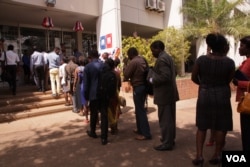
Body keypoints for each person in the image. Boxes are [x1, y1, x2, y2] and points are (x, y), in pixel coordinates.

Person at [191, 33, 235, 166]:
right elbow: (229, 79)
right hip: (222, 95)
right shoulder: (229, 62)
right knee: (221, 126)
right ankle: (217, 154)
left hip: (205, 95)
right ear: (223, 47)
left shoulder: (201, 60)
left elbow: (193, 77)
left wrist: (204, 85)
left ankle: (199, 156)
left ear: (210, 46)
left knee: (202, 126)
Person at [149, 40, 179, 151]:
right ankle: (170, 139)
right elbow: (174, 73)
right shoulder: (168, 57)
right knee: (170, 119)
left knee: (165, 120)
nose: (152, 53)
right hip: (170, 93)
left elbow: (165, 76)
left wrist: (151, 78)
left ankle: (167, 143)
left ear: (159, 49)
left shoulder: (161, 60)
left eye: (153, 51)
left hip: (164, 95)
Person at [123, 47, 152, 140]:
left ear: (131, 55)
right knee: (140, 109)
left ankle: (146, 133)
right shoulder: (143, 59)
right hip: (144, 86)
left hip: (138, 87)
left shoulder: (133, 62)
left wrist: (125, 64)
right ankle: (140, 129)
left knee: (140, 110)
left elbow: (126, 74)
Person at [84, 50, 108, 145]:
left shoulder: (88, 67)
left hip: (93, 94)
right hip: (104, 93)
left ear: (90, 57)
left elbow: (86, 84)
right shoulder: (104, 65)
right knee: (104, 114)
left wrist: (86, 96)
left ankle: (93, 132)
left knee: (93, 114)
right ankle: (104, 137)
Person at [232, 35, 250, 151]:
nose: (239, 48)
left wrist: (239, 83)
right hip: (245, 101)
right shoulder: (246, 61)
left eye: (242, 46)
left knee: (248, 133)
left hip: (248, 103)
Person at [73, 55, 89, 123]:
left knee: (84, 102)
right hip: (88, 85)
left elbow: (76, 79)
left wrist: (74, 86)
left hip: (82, 86)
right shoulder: (87, 68)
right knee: (88, 102)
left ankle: (86, 117)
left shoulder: (77, 69)